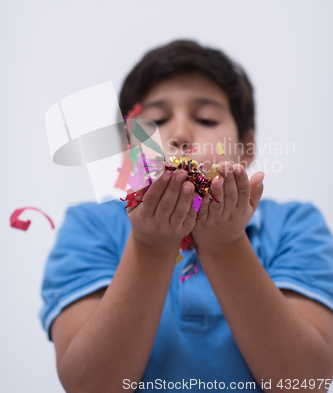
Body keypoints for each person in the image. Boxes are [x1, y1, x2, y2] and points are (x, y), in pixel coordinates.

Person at [39, 40, 333, 393]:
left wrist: (226, 244)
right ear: (126, 149)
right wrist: (150, 245)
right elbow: (90, 385)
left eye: (206, 119)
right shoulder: (90, 226)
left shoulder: (294, 226)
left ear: (246, 148)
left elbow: (306, 382)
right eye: (157, 121)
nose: (179, 135)